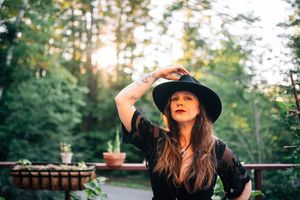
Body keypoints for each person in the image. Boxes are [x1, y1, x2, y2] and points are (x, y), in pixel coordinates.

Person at [115, 65, 252, 200]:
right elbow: (122, 100)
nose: (179, 103)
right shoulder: (156, 139)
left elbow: (243, 187)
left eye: (188, 98)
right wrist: (158, 74)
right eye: (175, 99)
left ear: (200, 109)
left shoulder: (217, 149)